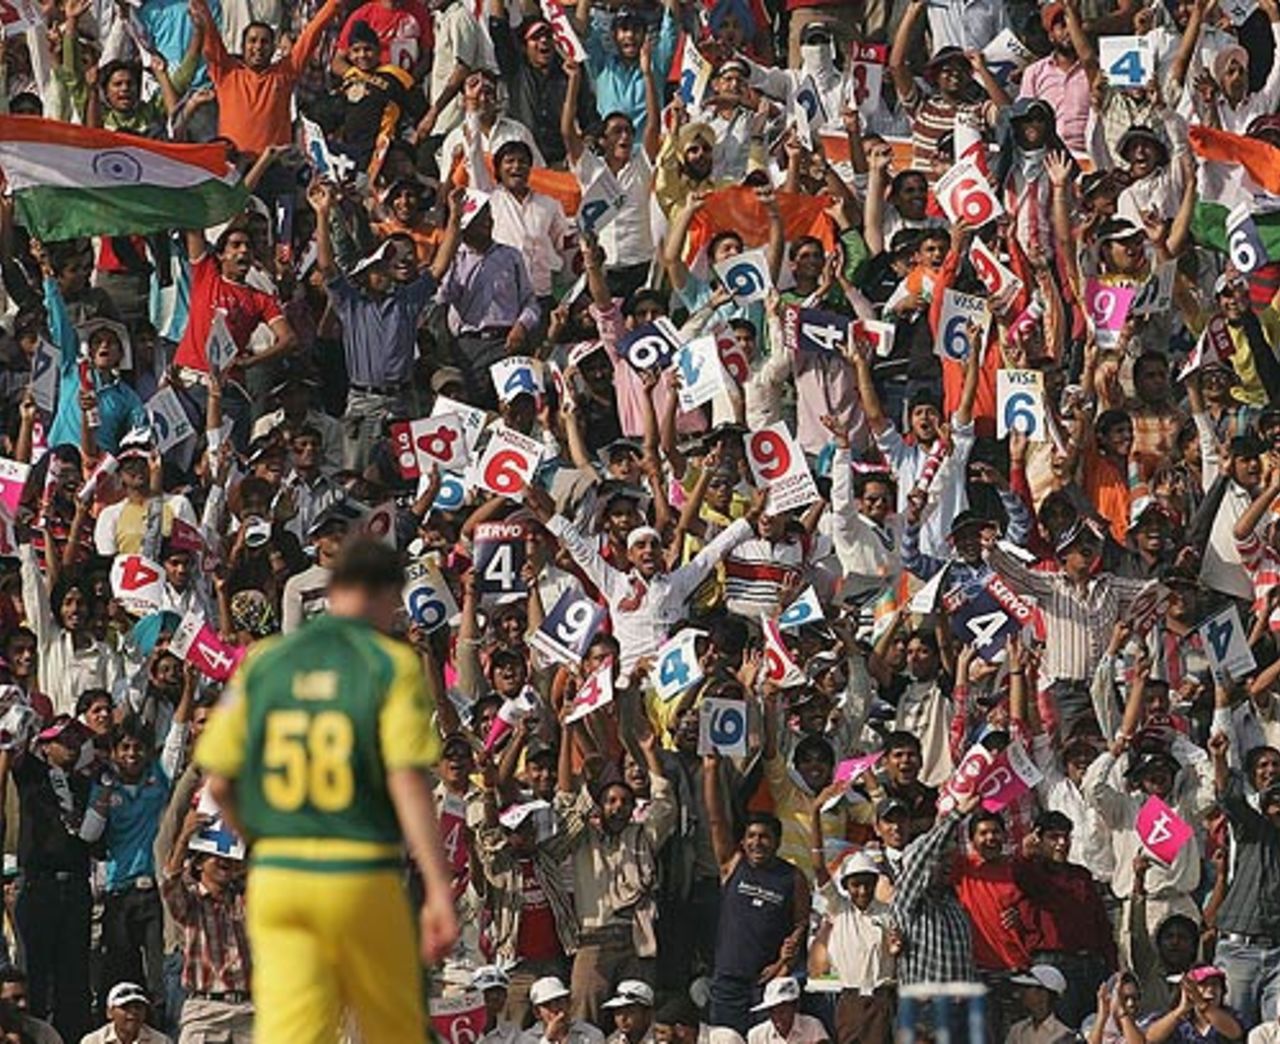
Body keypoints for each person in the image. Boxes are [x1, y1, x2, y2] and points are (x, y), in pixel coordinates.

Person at [194, 538, 459, 1043]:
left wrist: (264, 839)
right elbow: (406, 777)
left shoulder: (266, 661)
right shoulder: (389, 663)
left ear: (332, 591)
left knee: (293, 1034)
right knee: (392, 1030)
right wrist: (439, 887)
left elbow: (220, 779)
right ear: (388, 597)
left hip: (279, 877)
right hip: (359, 871)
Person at [80, 983, 172, 1044]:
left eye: (138, 1007)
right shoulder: (93, 1041)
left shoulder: (162, 1041)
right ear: (109, 1013)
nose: (133, 1012)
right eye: (125, 1007)